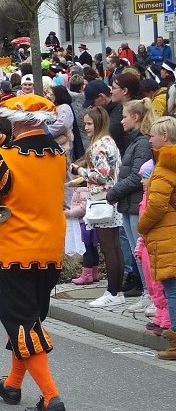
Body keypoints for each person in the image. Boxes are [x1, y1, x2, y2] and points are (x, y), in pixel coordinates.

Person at [0, 94, 68, 411]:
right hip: (50, 251)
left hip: (14, 252)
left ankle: (51, 398)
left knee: (21, 322)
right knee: (28, 319)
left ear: (16, 119)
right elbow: (31, 158)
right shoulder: (58, 155)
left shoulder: (4, 158)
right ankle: (12, 384)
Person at [74, 106, 124, 307]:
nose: (85, 127)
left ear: (99, 123)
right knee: (114, 247)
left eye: (89, 123)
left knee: (108, 248)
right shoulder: (109, 142)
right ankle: (116, 291)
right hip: (113, 197)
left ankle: (112, 292)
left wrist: (79, 170)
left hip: (103, 200)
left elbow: (101, 175)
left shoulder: (99, 145)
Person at [106, 99, 153, 310]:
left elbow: (136, 176)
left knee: (142, 252)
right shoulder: (136, 142)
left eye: (124, 116)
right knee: (137, 252)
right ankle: (147, 293)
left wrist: (114, 192)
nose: (121, 121)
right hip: (128, 204)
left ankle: (151, 295)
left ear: (135, 118)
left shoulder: (141, 143)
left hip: (134, 205)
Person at [138, 116, 176, 359]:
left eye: (153, 135)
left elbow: (157, 206)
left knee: (172, 290)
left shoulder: (164, 167)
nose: (150, 139)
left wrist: (143, 226)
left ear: (164, 137)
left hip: (167, 235)